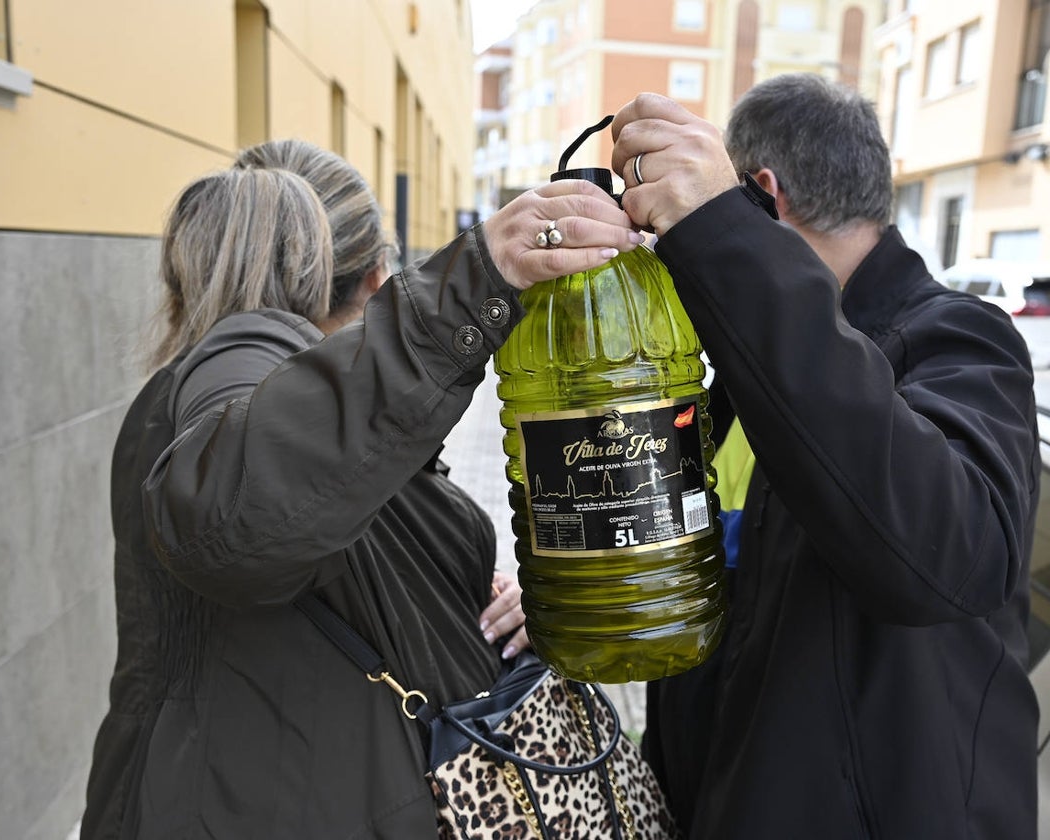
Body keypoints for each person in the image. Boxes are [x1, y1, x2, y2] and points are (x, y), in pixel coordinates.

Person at [81, 149, 642, 838]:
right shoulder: (238, 367)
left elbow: (337, 553)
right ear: (375, 279)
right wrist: (463, 292)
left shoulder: (327, 425)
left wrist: (494, 599)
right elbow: (235, 524)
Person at [610, 75, 1041, 838]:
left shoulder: (959, 341)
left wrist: (723, 239)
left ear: (761, 195)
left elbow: (952, 552)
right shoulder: (758, 364)